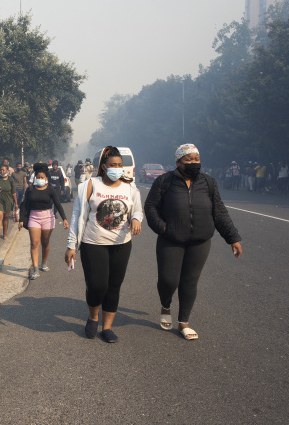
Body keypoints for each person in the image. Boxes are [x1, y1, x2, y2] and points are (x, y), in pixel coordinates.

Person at [144, 144, 242, 340]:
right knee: (168, 280)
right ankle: (166, 304)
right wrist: (163, 228)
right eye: (188, 160)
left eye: (196, 159)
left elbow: (219, 212)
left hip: (200, 241)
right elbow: (151, 207)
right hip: (170, 239)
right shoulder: (165, 181)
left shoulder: (208, 183)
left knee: (189, 281)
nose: (193, 163)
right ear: (178, 162)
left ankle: (184, 322)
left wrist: (233, 238)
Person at [65, 146, 143, 343]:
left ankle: (107, 327)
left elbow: (138, 211)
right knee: (97, 285)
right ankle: (93, 317)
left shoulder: (130, 187)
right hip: (93, 243)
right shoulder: (90, 185)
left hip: (121, 244)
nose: (117, 168)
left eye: (120, 165)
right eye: (112, 165)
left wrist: (135, 219)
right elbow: (77, 216)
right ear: (103, 166)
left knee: (114, 286)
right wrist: (71, 245)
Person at [19, 163, 68, 280]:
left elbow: (57, 204)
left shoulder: (50, 189)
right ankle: (35, 269)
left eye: (42, 177)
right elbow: (24, 205)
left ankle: (44, 263)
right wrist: (21, 220)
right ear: (35, 177)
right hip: (33, 218)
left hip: (47, 218)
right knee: (34, 243)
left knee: (45, 242)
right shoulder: (30, 189)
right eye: (38, 177)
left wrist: (64, 218)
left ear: (46, 178)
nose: (40, 179)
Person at [0, 164, 17, 242]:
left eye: (3, 170)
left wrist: (16, 203)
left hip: (8, 201)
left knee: (5, 218)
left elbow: (13, 192)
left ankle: (4, 234)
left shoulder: (11, 180)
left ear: (7, 171)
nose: (1, 171)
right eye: (0, 170)